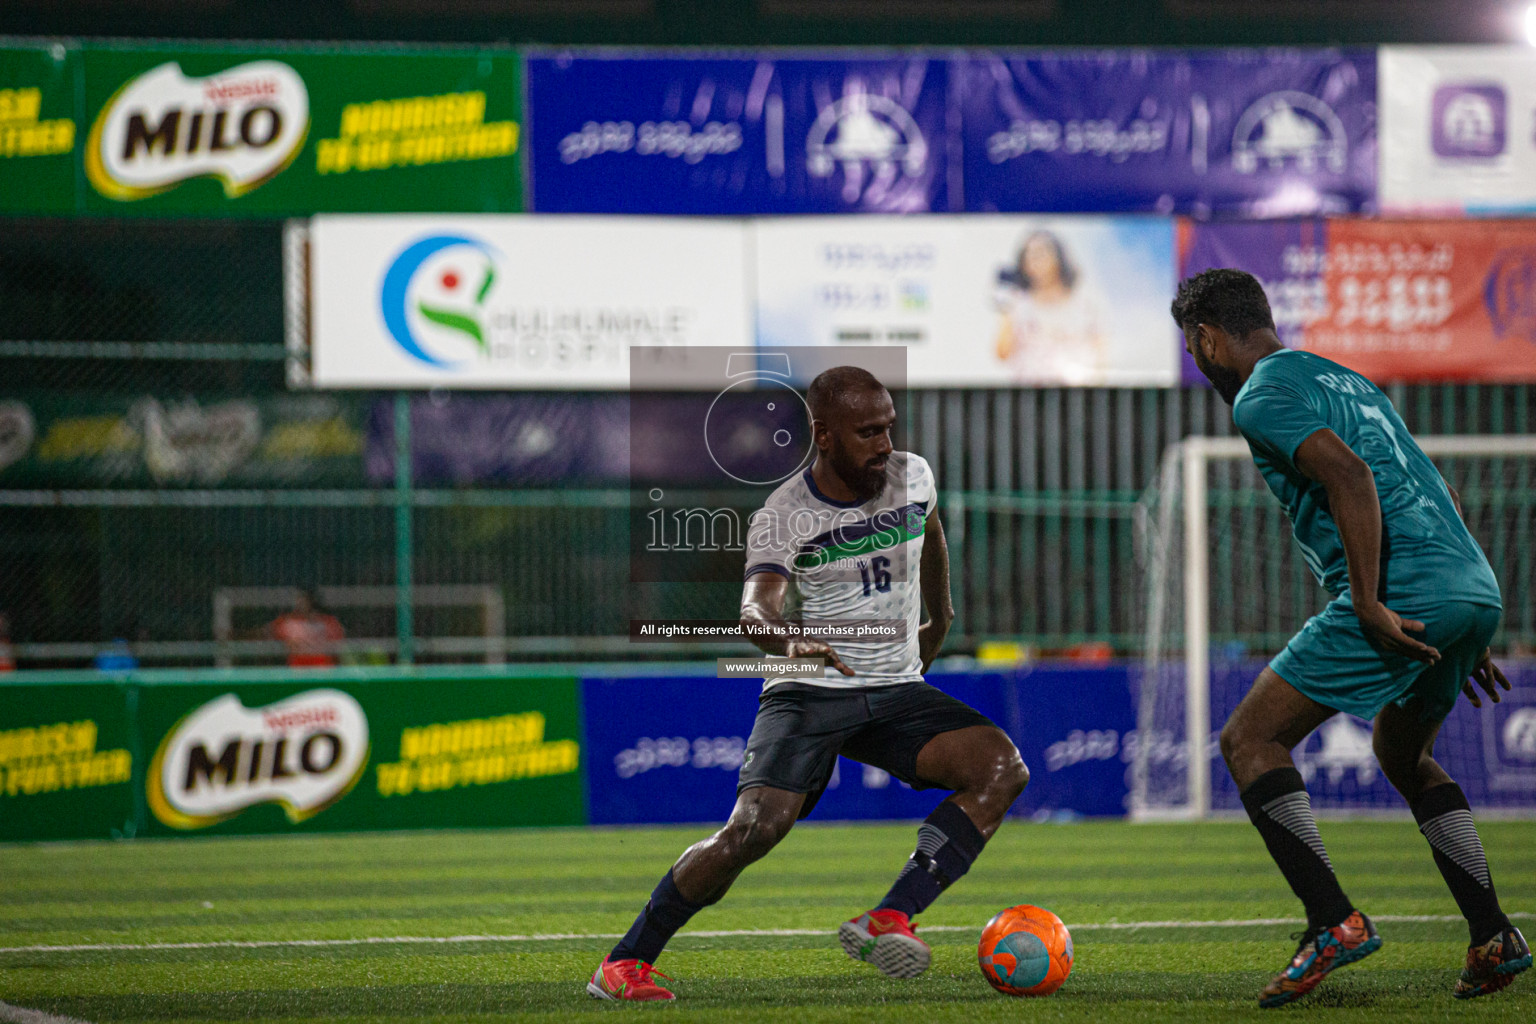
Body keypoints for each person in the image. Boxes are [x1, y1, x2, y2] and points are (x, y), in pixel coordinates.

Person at [588, 366, 1029, 1002]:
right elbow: (756, 610)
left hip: (895, 688)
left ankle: (890, 916)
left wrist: (940, 619)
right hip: (809, 687)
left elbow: (930, 537)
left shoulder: (913, 475)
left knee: (1000, 768)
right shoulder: (783, 516)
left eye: (888, 428)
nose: (884, 443)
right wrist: (787, 640)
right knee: (754, 831)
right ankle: (625, 963)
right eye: (866, 432)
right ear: (823, 435)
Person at [1171, 268, 1530, 1008]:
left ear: (1208, 340)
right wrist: (1468, 622)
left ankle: (1331, 920)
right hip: (1470, 585)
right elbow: (1440, 488)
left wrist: (1366, 601)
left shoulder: (1264, 392)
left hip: (1403, 591)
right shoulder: (1345, 379)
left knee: (1249, 742)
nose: (1197, 361)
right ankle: (1493, 934)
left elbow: (1350, 476)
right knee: (1404, 753)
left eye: (1193, 347)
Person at [994, 229, 1107, 385]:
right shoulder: (1019, 305)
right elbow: (1003, 353)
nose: (1035, 261)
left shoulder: (1085, 303)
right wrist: (1006, 306)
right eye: (1029, 255)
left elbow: (1100, 353)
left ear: (1058, 258)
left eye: (1041, 253)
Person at [266, 588, 345, 668]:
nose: (300, 603)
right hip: (298, 666)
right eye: (298, 600)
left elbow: (336, 646)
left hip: (322, 666)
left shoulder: (328, 621)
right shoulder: (288, 622)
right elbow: (271, 635)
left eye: (304, 600)